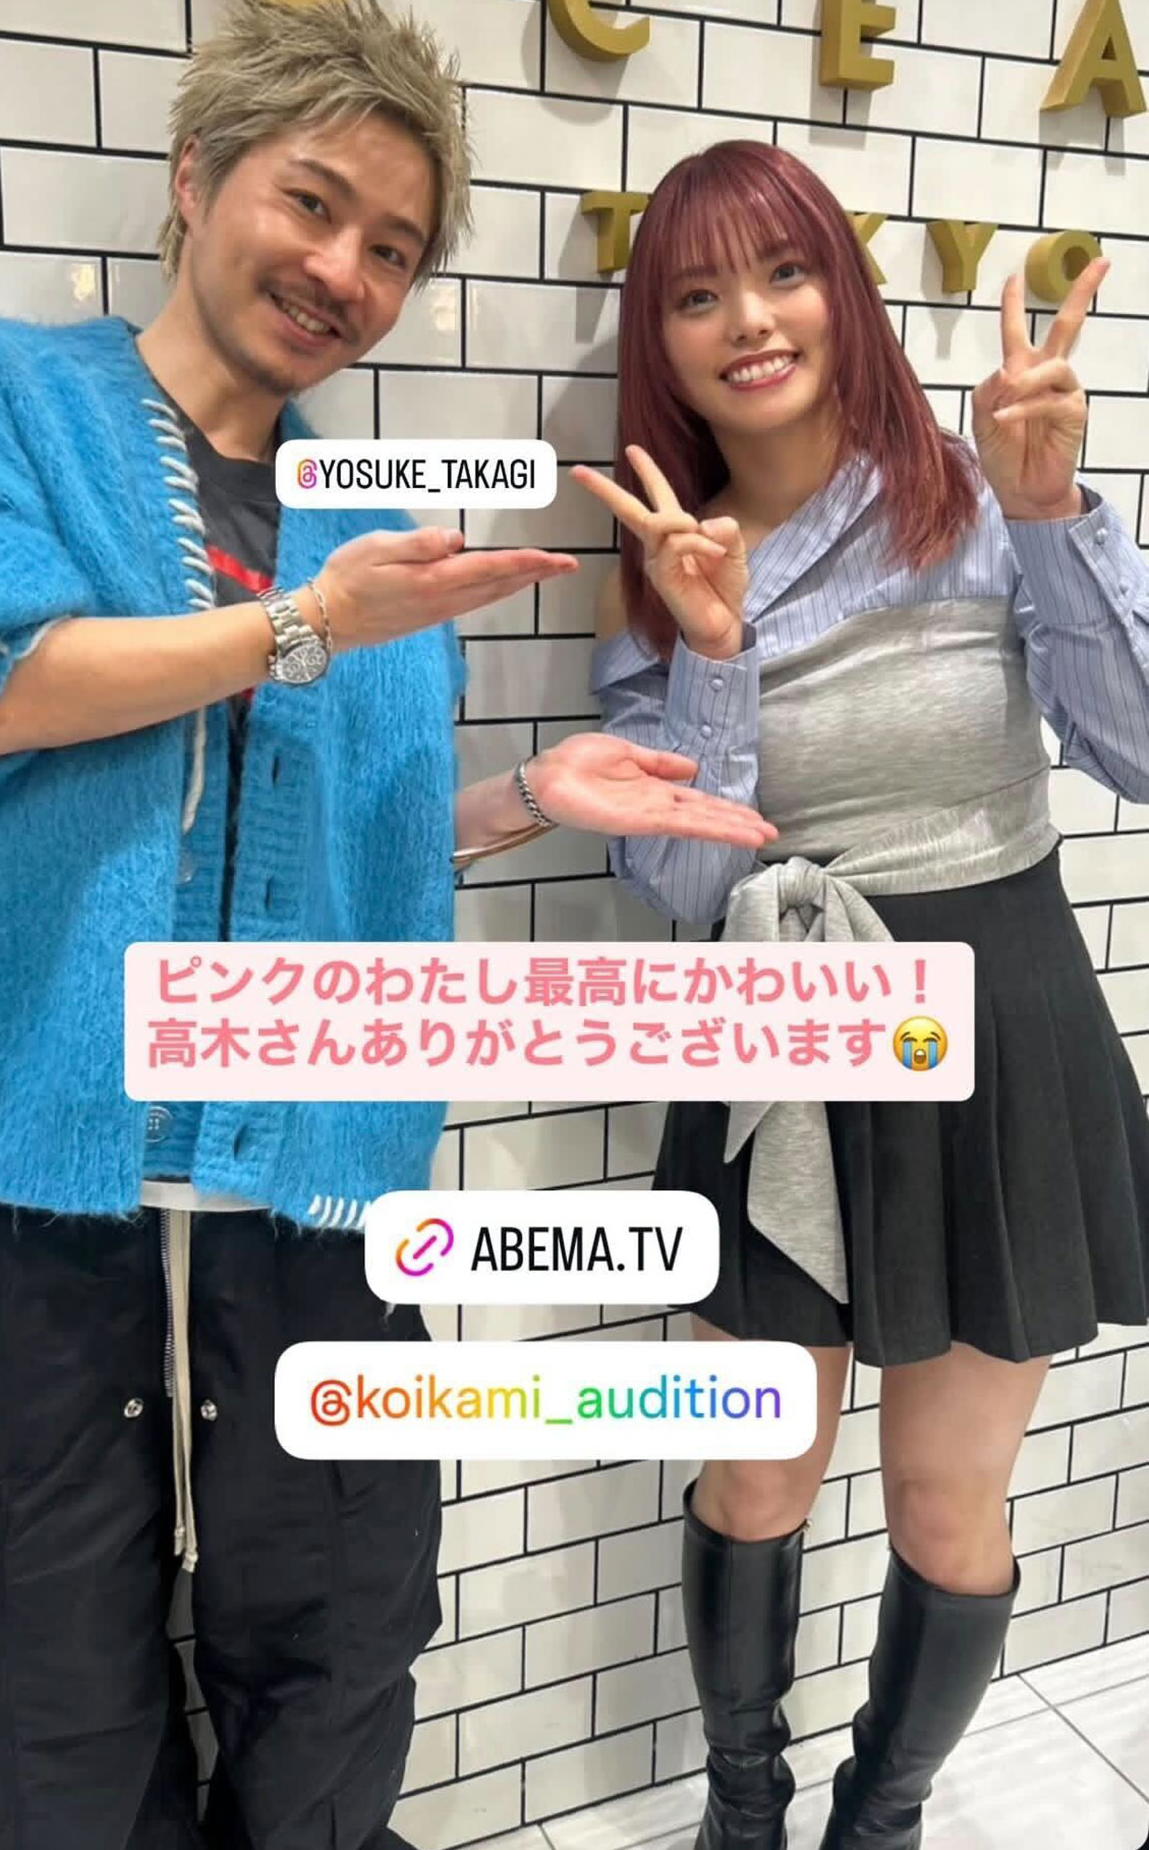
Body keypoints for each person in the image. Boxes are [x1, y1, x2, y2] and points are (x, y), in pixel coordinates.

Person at [0, 1, 777, 1850]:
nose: (344, 273)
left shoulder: (373, 523)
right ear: (195, 179)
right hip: (46, 1205)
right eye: (313, 206)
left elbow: (349, 858)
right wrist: (304, 627)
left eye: (392, 248)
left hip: (320, 1204)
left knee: (336, 1675)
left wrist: (526, 796)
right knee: (39, 1707)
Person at [577, 138, 1149, 1850]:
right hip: (777, 1036)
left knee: (945, 1500)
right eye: (698, 295)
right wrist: (715, 655)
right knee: (757, 1465)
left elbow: (1135, 752)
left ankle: (878, 1822)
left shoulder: (980, 497)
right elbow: (685, 888)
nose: (750, 321)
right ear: (662, 344)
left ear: (845, 290)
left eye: (784, 272)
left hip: (1002, 1019)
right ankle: (738, 1814)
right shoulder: (662, 563)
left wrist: (1054, 517)